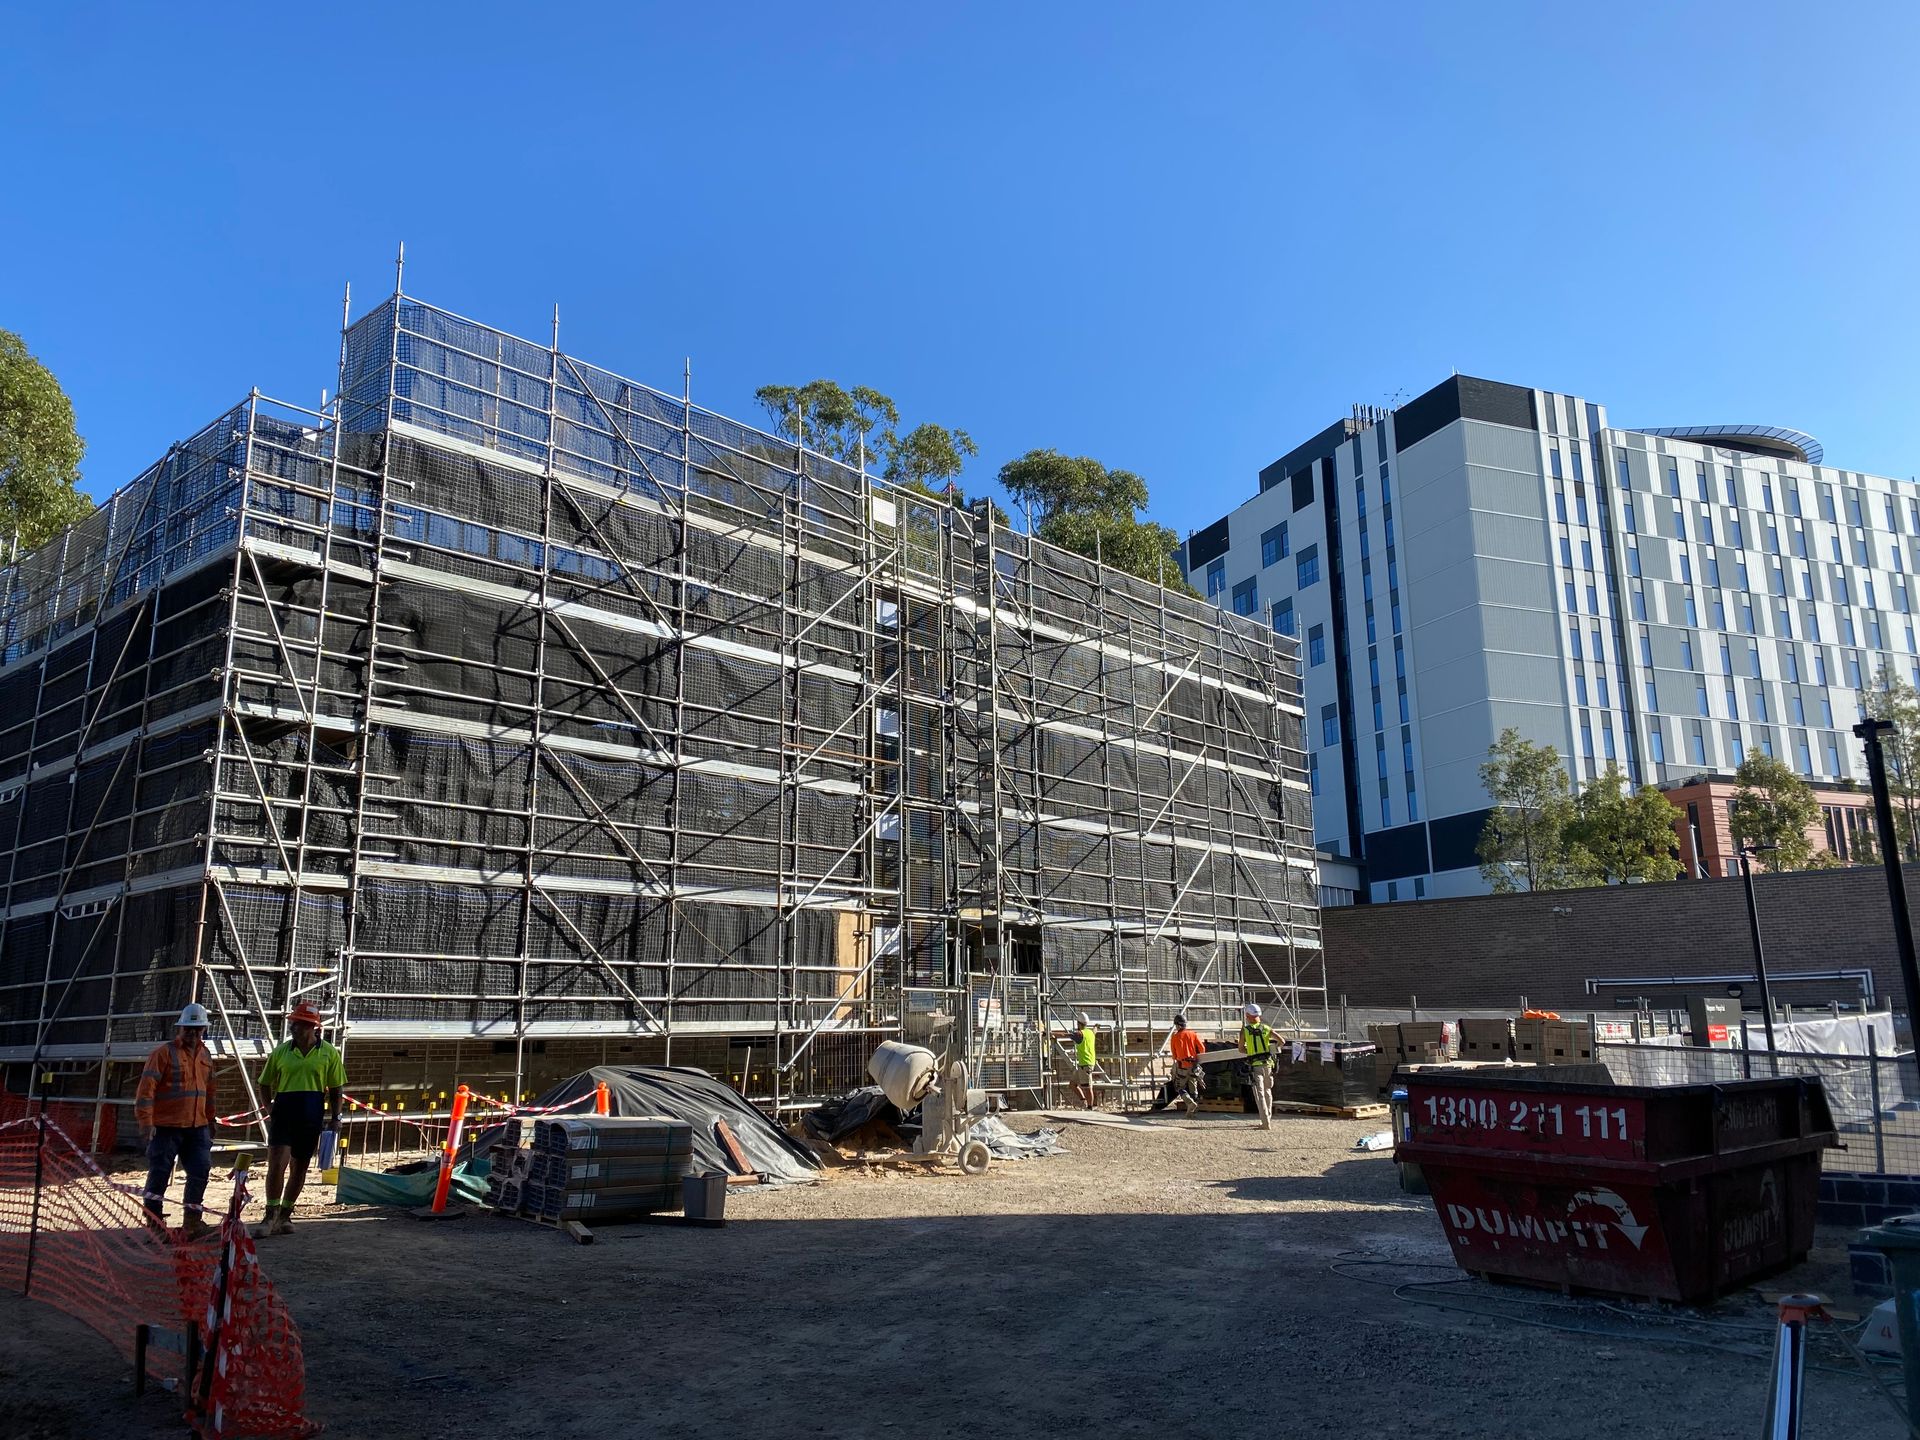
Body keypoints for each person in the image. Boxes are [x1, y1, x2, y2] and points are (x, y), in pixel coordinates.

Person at [257, 1002, 344, 1237]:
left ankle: (285, 1215)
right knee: (277, 1164)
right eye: (293, 1023)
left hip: (311, 1114)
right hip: (284, 1112)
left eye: (299, 1024)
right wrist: (269, 1106)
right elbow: (264, 1083)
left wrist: (336, 1118)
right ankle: (270, 1213)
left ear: (313, 1028)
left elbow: (336, 1090)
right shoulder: (282, 1052)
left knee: (299, 1167)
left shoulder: (329, 1053)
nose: (293, 1028)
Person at [135, 1002, 217, 1238]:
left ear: (203, 1029)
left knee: (200, 1171)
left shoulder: (205, 1055)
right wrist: (146, 1122)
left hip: (197, 1126)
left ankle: (192, 1222)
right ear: (179, 1029)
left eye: (197, 1029)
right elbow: (146, 1090)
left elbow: (209, 1091)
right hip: (165, 1128)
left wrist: (211, 1119)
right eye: (188, 1029)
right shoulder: (162, 1054)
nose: (193, 1033)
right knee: (159, 1173)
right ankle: (154, 1225)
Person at [1241, 1002, 1275, 1130]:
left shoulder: (1245, 1030)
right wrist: (1272, 1050)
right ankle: (1268, 1118)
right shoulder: (1266, 1028)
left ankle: (1265, 1123)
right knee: (1268, 1092)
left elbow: (1240, 1049)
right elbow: (1281, 1041)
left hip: (1255, 1066)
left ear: (1248, 1015)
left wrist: (1250, 1052)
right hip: (1268, 1065)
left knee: (1260, 1094)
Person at [1167, 1014, 1206, 1114]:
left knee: (1179, 1087)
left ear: (1178, 1025)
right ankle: (1194, 1111)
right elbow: (1202, 1049)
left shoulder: (1175, 1037)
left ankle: (1189, 1102)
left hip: (1182, 1067)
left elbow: (1174, 1056)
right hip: (1193, 1066)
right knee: (1194, 1088)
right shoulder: (1193, 1034)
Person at [1071, 1013, 1098, 1109]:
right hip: (1083, 1064)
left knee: (1088, 1087)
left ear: (1079, 1023)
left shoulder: (1080, 1034)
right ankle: (1084, 1101)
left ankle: (1090, 1107)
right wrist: (1096, 1026)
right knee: (1073, 1084)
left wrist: (1050, 1034)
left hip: (1086, 1064)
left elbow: (1064, 1034)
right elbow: (1095, 1030)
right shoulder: (1090, 1032)